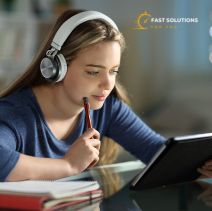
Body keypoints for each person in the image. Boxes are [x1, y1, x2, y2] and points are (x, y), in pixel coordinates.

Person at [0, 9, 211, 182]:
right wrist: (68, 165)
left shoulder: (107, 108)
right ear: (55, 68)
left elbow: (159, 153)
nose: (108, 84)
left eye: (113, 71)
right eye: (93, 72)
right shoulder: (15, 114)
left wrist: (202, 163)